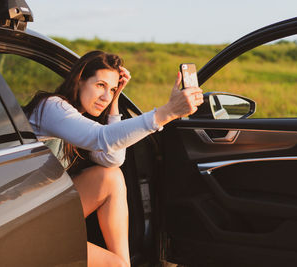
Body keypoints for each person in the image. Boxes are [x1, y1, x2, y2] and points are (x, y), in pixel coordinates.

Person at [24, 50, 203, 267]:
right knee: (114, 265)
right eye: (100, 85)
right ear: (80, 80)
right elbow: (101, 138)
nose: (105, 96)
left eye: (112, 89)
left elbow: (113, 159)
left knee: (110, 176)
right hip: (23, 220)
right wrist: (167, 112)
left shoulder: (79, 119)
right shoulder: (51, 107)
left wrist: (115, 101)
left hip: (43, 208)